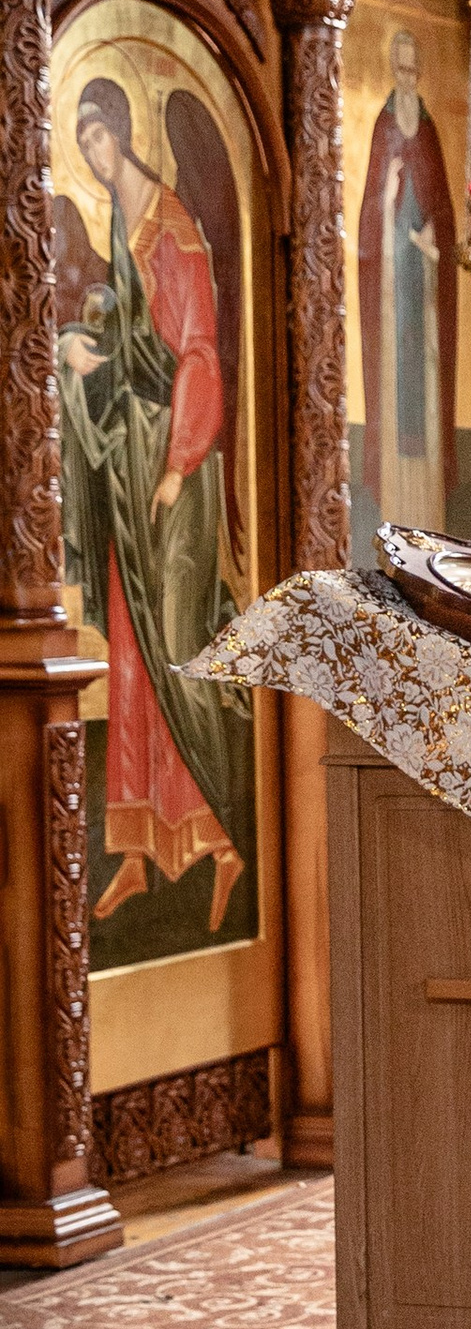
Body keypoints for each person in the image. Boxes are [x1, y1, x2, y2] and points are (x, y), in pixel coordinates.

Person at [56, 76, 252, 932]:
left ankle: (222, 843)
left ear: (127, 134)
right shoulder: (114, 225)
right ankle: (136, 852)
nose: (97, 157)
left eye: (103, 139)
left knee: (176, 649)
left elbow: (198, 354)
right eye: (84, 142)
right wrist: (81, 348)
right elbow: (132, 344)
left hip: (177, 469)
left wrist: (177, 466)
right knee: (132, 659)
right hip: (129, 470)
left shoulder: (172, 226)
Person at [355, 23, 458, 537]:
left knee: (428, 386)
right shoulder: (382, 127)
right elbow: (368, 218)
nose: (409, 77)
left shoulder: (432, 131)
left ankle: (431, 520)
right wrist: (388, 191)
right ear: (392, 71)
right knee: (397, 389)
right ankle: (395, 514)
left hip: (425, 291)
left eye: (415, 68)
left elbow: (443, 208)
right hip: (393, 297)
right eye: (401, 68)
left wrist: (436, 235)